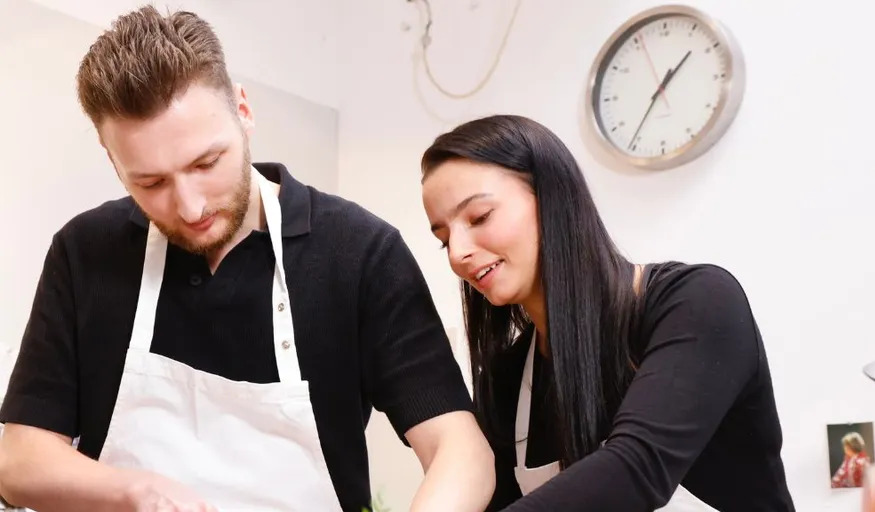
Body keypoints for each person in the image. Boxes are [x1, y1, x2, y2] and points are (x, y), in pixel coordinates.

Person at [0, 6, 494, 512]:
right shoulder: (85, 252)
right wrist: (132, 492)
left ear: (244, 111)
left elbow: (461, 450)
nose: (189, 207)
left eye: (206, 163)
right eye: (151, 183)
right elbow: (18, 459)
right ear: (113, 160)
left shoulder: (359, 253)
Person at [419, 114, 796, 511]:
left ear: (552, 197)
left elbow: (638, 467)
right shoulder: (506, 379)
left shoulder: (697, 303)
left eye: (479, 218)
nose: (459, 252)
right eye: (444, 239)